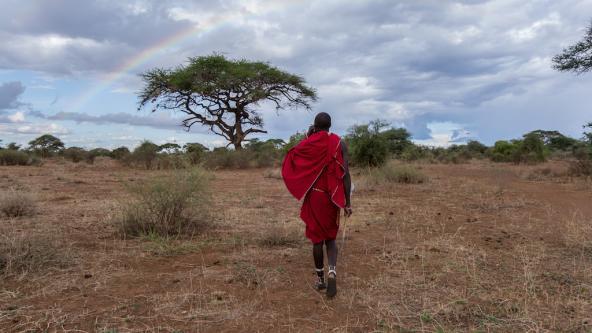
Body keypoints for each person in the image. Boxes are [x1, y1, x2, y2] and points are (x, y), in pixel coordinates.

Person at [282, 112, 352, 298]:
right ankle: (332, 271)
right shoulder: (339, 143)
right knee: (330, 239)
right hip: (331, 199)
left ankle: (320, 280)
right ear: (330, 125)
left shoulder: (310, 143)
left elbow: (293, 154)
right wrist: (347, 203)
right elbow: (345, 175)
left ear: (314, 125)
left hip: (315, 197)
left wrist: (309, 135)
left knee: (317, 240)